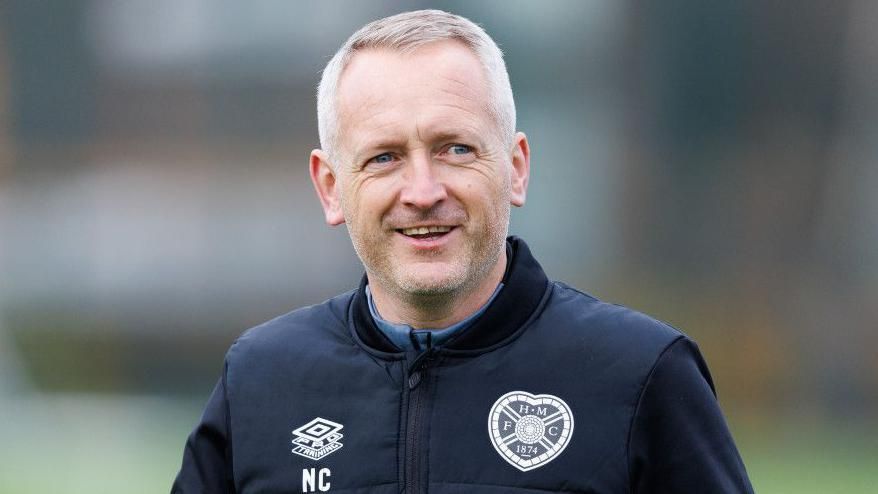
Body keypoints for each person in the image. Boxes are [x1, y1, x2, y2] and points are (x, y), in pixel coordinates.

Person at [172, 9, 754, 493]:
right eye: (384, 157)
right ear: (330, 187)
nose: (423, 193)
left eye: (454, 149)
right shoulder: (259, 380)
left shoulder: (642, 375)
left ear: (516, 168)